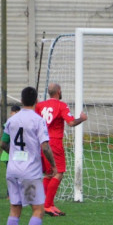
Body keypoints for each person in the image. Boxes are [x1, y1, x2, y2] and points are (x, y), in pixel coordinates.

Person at [1, 87, 57, 225]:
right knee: (38, 210)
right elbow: (46, 146)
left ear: (22, 99)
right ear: (36, 101)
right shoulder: (38, 121)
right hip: (29, 172)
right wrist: (53, 166)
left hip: (12, 170)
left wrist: (15, 155)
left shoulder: (12, 120)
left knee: (15, 209)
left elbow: (3, 143)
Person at [35, 82, 88, 216]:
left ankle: (47, 204)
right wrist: (81, 119)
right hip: (54, 143)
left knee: (48, 174)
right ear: (58, 91)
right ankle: (47, 205)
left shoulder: (40, 106)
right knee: (59, 173)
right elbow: (70, 123)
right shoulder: (61, 105)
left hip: (42, 142)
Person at [1, 105, 21, 197]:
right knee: (12, 175)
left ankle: (15, 194)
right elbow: (4, 142)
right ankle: (10, 194)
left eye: (18, 113)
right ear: (11, 113)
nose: (16, 115)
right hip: (8, 154)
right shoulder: (8, 124)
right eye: (15, 113)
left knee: (17, 174)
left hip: (16, 154)